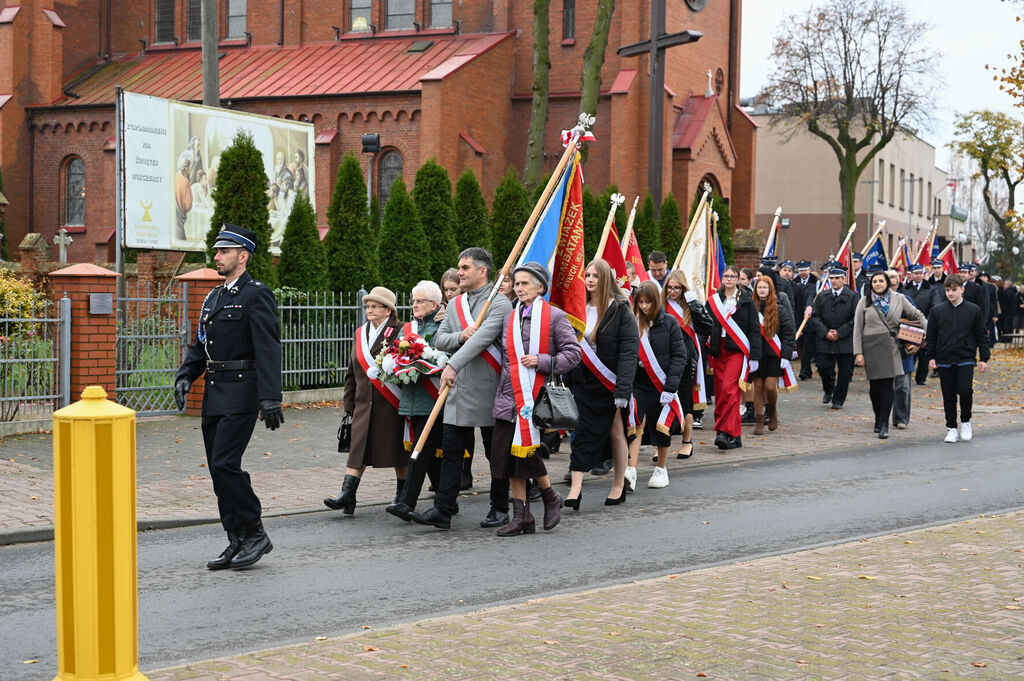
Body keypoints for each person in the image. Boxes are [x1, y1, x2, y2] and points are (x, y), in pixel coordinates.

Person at [174, 225, 282, 570]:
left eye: (224, 252)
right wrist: (186, 374)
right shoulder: (214, 297)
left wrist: (270, 398)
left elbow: (268, 349)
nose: (217, 257)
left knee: (225, 463)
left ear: (243, 256)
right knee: (218, 471)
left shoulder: (256, 294)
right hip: (215, 392)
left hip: (242, 390)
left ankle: (255, 531)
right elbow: (201, 344)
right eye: (217, 251)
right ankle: (236, 537)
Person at [410, 248, 513, 529]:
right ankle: (443, 509)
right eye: (459, 267)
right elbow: (441, 339)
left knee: (495, 452)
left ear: (483, 271)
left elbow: (482, 340)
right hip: (457, 388)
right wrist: (459, 335)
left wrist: (452, 365)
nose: (460, 272)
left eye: (466, 267)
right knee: (452, 451)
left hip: (489, 386)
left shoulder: (500, 303)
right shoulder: (455, 305)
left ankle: (500, 507)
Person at [489, 262, 581, 536]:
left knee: (526, 453)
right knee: (507, 457)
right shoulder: (510, 316)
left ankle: (548, 497)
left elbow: (572, 354)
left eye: (525, 283)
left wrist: (541, 360)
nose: (519, 288)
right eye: (516, 284)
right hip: (509, 397)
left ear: (541, 287)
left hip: (535, 398)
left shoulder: (554, 316)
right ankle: (523, 514)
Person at [324, 286, 408, 514]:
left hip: (391, 403)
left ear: (388, 310)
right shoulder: (360, 333)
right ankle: (347, 494)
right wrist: (348, 403)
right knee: (357, 449)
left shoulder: (401, 331)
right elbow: (352, 371)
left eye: (374, 306)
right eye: (368, 306)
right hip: (363, 404)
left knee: (398, 451)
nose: (369, 310)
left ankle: (402, 496)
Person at [566, 259, 638, 508]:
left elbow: (629, 352)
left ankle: (618, 485)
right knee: (582, 432)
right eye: (587, 275)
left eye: (595, 275)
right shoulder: (578, 307)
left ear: (605, 278)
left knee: (616, 432)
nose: (589, 279)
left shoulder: (620, 309)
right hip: (585, 380)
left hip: (611, 382)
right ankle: (575, 490)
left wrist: (623, 390)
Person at [386, 281, 447, 522]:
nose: (414, 305)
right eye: (413, 300)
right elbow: (395, 354)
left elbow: (446, 356)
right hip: (412, 398)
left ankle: (405, 502)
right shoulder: (408, 328)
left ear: (434, 304)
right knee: (428, 453)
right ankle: (446, 501)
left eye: (420, 301)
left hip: (435, 400)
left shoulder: (445, 323)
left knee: (421, 451)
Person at [625, 280, 687, 488]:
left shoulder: (669, 322)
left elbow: (679, 356)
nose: (644, 306)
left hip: (662, 384)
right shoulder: (632, 322)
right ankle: (630, 470)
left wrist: (671, 387)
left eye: (648, 302)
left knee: (661, 427)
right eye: (640, 302)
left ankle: (661, 469)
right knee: (634, 424)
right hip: (638, 382)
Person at [853, 271, 926, 439]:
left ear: (887, 282)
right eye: (875, 281)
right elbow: (857, 329)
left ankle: (884, 423)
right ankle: (878, 417)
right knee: (875, 389)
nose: (878, 284)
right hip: (870, 347)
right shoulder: (864, 301)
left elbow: (916, 314)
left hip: (890, 346)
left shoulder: (899, 298)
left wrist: (926, 332)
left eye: (881, 281)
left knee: (887, 385)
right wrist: (858, 353)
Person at [924, 274, 990, 443]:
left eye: (954, 290)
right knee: (948, 395)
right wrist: (931, 356)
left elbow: (981, 335)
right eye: (947, 290)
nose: (950, 294)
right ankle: (951, 427)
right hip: (944, 358)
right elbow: (931, 336)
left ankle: (966, 421)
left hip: (965, 357)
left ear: (962, 289)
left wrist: (984, 358)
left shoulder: (973, 310)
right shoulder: (937, 311)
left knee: (965, 390)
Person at [659, 269, 715, 464]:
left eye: (677, 288)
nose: (673, 291)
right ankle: (661, 443)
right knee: (660, 402)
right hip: (662, 359)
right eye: (670, 287)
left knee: (685, 402)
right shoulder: (660, 305)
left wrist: (694, 305)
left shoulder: (690, 306)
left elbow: (707, 327)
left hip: (686, 357)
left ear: (684, 288)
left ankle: (687, 441)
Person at [705, 265, 761, 449]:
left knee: (730, 389)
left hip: (737, 351)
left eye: (733, 276)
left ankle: (724, 432)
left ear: (738, 279)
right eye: (726, 276)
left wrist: (755, 356)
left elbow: (754, 330)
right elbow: (704, 324)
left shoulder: (747, 301)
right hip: (718, 350)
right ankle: (735, 436)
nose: (729, 279)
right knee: (721, 392)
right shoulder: (713, 300)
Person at [808, 265, 858, 410]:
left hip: (845, 340)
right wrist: (825, 332)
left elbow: (856, 318)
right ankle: (829, 389)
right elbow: (815, 316)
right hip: (826, 339)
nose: (834, 281)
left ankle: (838, 399)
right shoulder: (823, 296)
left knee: (845, 372)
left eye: (837, 278)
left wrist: (840, 332)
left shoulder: (852, 296)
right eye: (832, 278)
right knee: (823, 367)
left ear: (843, 280)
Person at [751, 275, 796, 434]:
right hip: (756, 355)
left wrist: (786, 355)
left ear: (770, 290)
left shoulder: (780, 309)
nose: (762, 290)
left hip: (773, 355)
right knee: (757, 387)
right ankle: (759, 419)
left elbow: (789, 333)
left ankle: (772, 411)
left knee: (770, 387)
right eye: (759, 287)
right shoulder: (751, 308)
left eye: (765, 287)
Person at [792, 260, 819, 381]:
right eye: (801, 270)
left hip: (809, 318)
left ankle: (805, 370)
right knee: (800, 345)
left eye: (805, 270)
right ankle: (805, 369)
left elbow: (812, 296)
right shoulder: (794, 283)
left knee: (808, 346)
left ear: (810, 270)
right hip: (797, 317)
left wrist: (809, 307)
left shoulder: (816, 283)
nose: (803, 272)